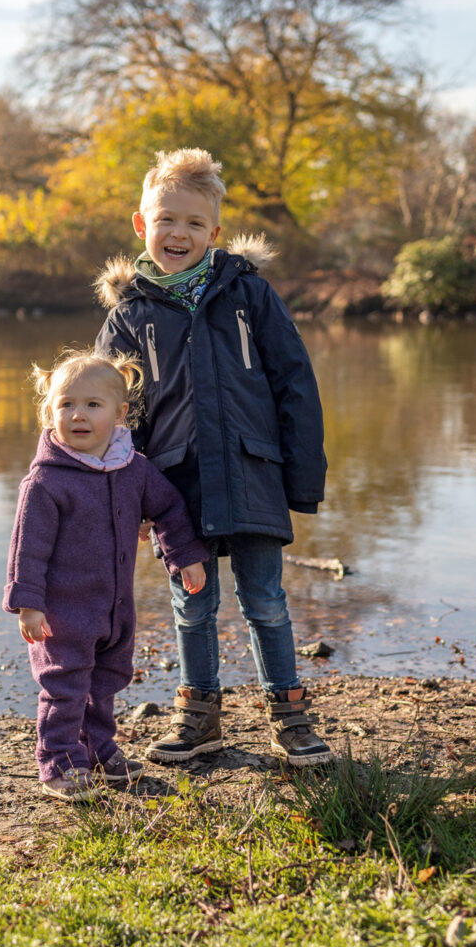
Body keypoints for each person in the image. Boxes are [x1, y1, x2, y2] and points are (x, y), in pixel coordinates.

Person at [94, 148, 331, 768]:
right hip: (175, 484)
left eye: (195, 224)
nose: (180, 233)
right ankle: (199, 716)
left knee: (266, 601)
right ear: (142, 225)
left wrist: (303, 479)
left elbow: (295, 384)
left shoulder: (250, 295)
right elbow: (116, 415)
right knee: (191, 602)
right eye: (167, 219)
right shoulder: (130, 316)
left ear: (214, 233)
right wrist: (126, 498)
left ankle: (290, 713)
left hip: (253, 473)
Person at [3, 349, 208, 801]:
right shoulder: (46, 482)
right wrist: (28, 604)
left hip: (115, 608)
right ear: (49, 411)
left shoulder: (133, 468)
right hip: (62, 612)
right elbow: (27, 550)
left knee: (108, 679)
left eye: (92, 405)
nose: (78, 415)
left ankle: (98, 749)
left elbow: (169, 507)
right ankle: (60, 761)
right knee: (65, 686)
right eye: (66, 404)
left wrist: (183, 554)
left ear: (119, 413)